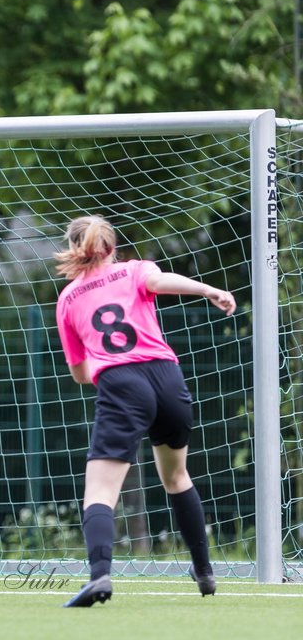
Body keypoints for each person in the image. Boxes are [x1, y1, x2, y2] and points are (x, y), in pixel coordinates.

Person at [54, 216, 233, 607]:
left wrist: (105, 367)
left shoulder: (68, 298)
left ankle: (100, 576)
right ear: (111, 247)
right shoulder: (135, 270)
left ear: (74, 249)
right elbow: (161, 281)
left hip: (121, 383)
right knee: (176, 476)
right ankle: (203, 570)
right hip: (168, 378)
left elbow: (82, 374)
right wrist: (208, 290)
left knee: (100, 490)